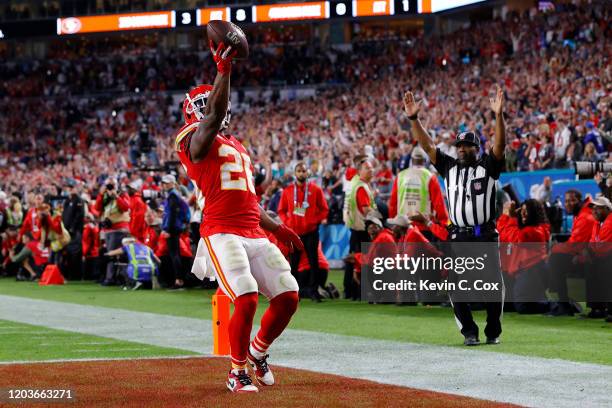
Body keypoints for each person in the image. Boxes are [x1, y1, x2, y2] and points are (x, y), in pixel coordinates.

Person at [174, 41, 303, 393]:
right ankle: (236, 371)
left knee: (288, 295)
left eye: (209, 103)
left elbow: (248, 200)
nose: (209, 110)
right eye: (201, 106)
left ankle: (257, 352)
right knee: (245, 294)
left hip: (252, 229)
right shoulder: (191, 141)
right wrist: (223, 69)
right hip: (220, 231)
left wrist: (280, 227)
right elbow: (212, 118)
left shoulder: (238, 145)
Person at [403, 85, 506, 346]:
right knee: (456, 286)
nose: (461, 149)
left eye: (467, 146)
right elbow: (427, 145)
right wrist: (414, 119)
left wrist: (498, 116)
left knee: (493, 286)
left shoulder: (488, 166)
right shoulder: (449, 167)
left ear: (476, 148)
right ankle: (469, 331)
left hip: (485, 235)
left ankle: (493, 330)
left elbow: (500, 146)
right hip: (458, 237)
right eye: (459, 145)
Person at [278, 162, 328, 302]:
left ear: (308, 173)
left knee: (314, 262)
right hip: (295, 233)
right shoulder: (287, 190)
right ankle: (295, 292)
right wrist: (288, 223)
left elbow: (324, 209)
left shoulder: (316, 190)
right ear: (295, 173)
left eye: (304, 171)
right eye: (299, 171)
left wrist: (314, 220)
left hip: (311, 231)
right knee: (294, 263)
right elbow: (281, 210)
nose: (301, 173)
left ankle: (314, 291)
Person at [497, 200, 550, 314]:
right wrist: (508, 217)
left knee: (523, 307)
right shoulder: (525, 228)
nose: (523, 214)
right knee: (506, 306)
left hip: (533, 270)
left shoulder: (536, 230)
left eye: (528, 211)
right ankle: (540, 298)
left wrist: (509, 217)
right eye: (522, 210)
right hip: (522, 271)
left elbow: (511, 236)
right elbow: (503, 234)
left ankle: (560, 305)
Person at [548, 189, 596, 316]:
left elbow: (574, 245)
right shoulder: (582, 213)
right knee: (555, 259)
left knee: (555, 260)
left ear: (580, 201)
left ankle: (564, 305)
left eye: (572, 200)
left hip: (591, 257)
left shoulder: (585, 216)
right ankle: (565, 304)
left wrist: (554, 248)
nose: (568, 204)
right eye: (566, 201)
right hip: (588, 255)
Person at [388, 146, 449, 241]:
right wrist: (443, 225)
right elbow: (439, 204)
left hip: (403, 226)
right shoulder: (430, 177)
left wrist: (394, 221)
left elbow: (393, 203)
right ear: (425, 160)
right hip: (424, 227)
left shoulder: (400, 176)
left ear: (412, 160)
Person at [342, 155, 376, 300]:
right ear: (359, 171)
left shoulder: (353, 182)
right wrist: (379, 218)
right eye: (368, 168)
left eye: (372, 167)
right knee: (362, 261)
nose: (371, 170)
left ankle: (349, 291)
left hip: (354, 226)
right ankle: (358, 292)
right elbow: (366, 209)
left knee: (352, 260)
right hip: (362, 228)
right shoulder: (361, 186)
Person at [95, 180, 130, 285]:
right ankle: (111, 277)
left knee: (112, 254)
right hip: (109, 230)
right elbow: (97, 208)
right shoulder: (106, 197)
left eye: (112, 185)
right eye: (108, 186)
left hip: (119, 229)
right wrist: (101, 194)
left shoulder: (122, 194)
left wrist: (116, 196)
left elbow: (125, 207)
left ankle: (111, 278)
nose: (110, 188)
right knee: (109, 253)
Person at [160, 174, 190, 290]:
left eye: (167, 183)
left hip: (172, 229)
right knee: (175, 254)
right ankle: (179, 279)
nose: (164, 185)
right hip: (175, 228)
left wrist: (168, 230)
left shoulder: (173, 196)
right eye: (164, 183)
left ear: (172, 183)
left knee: (174, 255)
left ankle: (179, 280)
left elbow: (172, 215)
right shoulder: (174, 195)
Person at [584, 197, 612, 319]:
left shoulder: (610, 222)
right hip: (601, 258)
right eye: (593, 209)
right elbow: (592, 243)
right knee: (591, 267)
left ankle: (606, 309)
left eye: (598, 208)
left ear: (607, 209)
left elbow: (603, 245)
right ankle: (597, 308)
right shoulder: (597, 224)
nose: (594, 211)